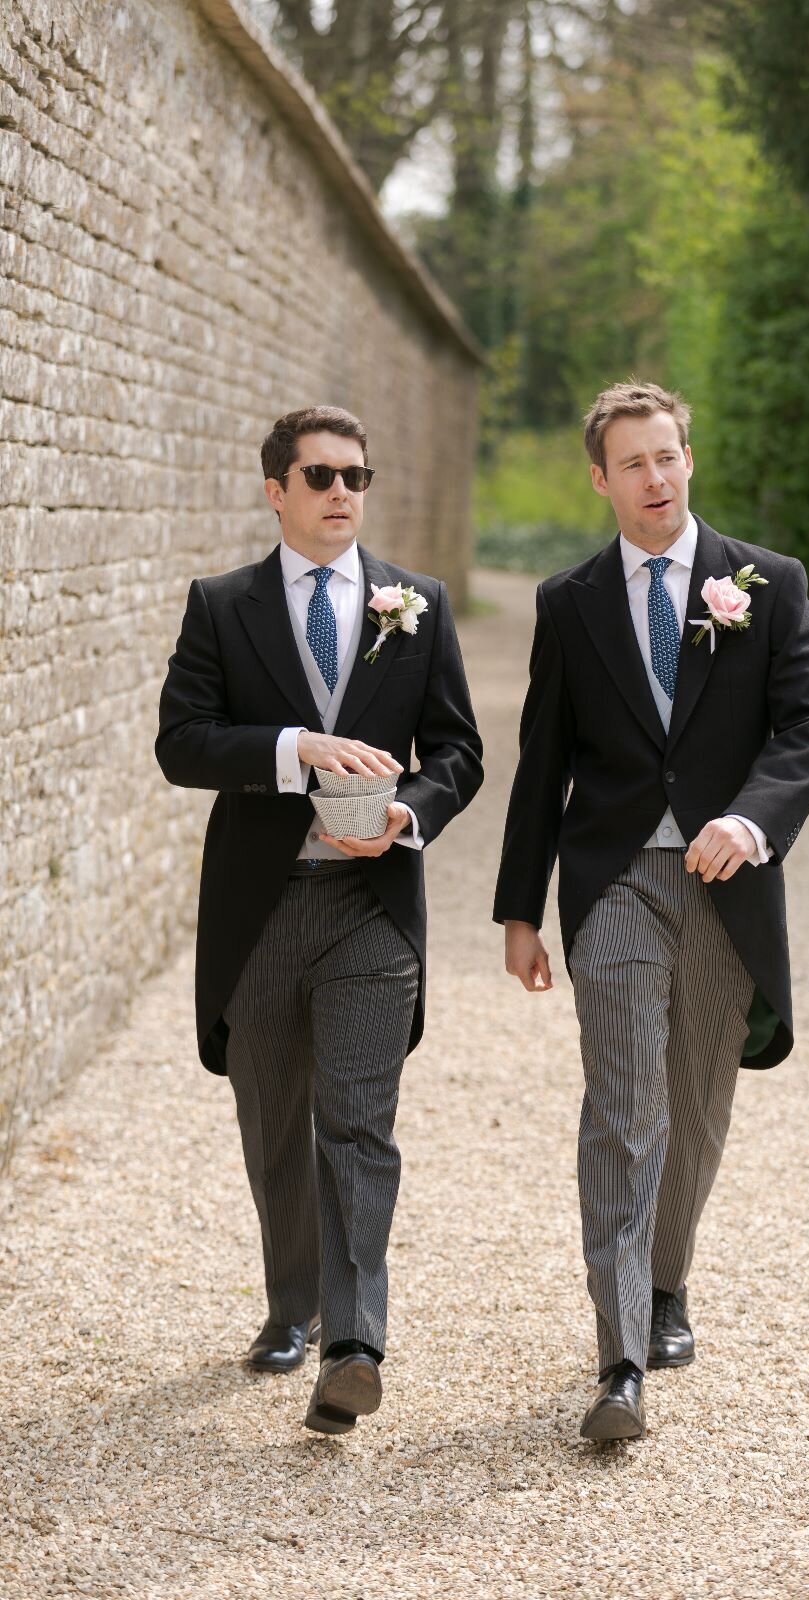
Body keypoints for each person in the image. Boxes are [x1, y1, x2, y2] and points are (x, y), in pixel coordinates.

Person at [493, 381, 809, 1441]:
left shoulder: (765, 584)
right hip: (612, 887)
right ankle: (620, 1355)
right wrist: (518, 909)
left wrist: (749, 820)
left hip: (726, 887)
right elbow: (541, 760)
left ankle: (666, 1282)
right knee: (623, 1103)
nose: (655, 477)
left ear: (690, 457)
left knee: (691, 1108)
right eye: (632, 462)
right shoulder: (569, 602)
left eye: (669, 456)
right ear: (599, 477)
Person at [157, 404, 482, 1435]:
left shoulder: (416, 605)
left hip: (370, 909)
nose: (344, 491)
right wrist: (297, 745)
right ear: (277, 489)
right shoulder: (222, 605)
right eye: (323, 475)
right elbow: (182, 744)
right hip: (257, 907)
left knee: (356, 1119)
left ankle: (353, 1343)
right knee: (274, 1123)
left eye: (358, 475)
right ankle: (291, 1306)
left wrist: (408, 813)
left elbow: (460, 753)